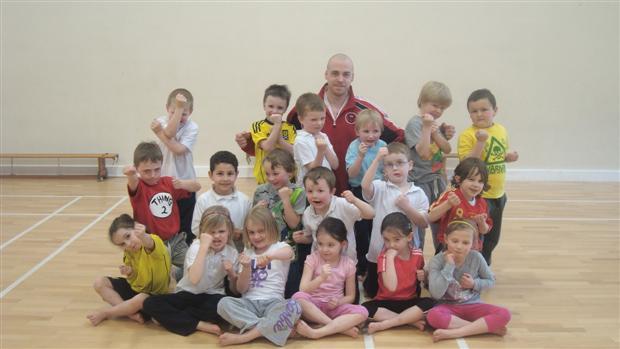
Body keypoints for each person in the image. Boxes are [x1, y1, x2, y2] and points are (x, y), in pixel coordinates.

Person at [236, 53, 404, 194]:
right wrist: (250, 144)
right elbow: (284, 143)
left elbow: (400, 138)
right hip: (314, 192)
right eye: (335, 73)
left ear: (353, 77)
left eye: (346, 74)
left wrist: (393, 171)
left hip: (356, 191)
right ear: (326, 74)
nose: (340, 79)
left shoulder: (367, 111)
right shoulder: (301, 110)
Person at [141, 207, 239, 336]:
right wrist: (204, 247)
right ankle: (199, 324)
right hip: (188, 293)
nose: (216, 236)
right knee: (150, 303)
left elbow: (235, 290)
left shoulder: (232, 253)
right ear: (203, 233)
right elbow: (194, 279)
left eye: (221, 231)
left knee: (225, 306)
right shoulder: (197, 246)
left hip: (212, 296)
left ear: (229, 232)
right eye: (211, 232)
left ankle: (173, 318)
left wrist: (232, 273)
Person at [216, 206, 302, 347]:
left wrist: (270, 257)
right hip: (249, 303)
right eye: (252, 232)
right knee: (223, 304)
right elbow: (241, 289)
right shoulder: (246, 253)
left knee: (295, 306)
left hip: (274, 303)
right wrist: (247, 268)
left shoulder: (280, 247)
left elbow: (288, 253)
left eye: (261, 231)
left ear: (272, 228)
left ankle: (247, 336)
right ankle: (271, 328)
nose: (256, 236)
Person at [457, 89, 519, 265]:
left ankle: (484, 265)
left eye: (484, 109)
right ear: (469, 114)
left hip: (499, 194)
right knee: (476, 235)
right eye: (474, 111)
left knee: (492, 237)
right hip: (479, 196)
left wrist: (508, 157)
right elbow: (467, 164)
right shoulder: (468, 135)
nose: (479, 114)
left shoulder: (501, 130)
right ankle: (471, 267)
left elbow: (496, 157)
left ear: (495, 110)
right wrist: (480, 141)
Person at [361, 142, 428, 298]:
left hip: (408, 256)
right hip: (378, 251)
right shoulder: (380, 187)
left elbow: (423, 223)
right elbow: (365, 185)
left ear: (410, 165)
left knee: (408, 293)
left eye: (400, 163)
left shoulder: (418, 193)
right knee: (372, 292)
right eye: (389, 165)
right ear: (384, 170)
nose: (395, 168)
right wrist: (377, 159)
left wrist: (407, 207)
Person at [124, 142, 201, 279]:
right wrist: (131, 175)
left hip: (175, 241)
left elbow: (197, 186)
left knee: (194, 268)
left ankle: (177, 274)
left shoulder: (167, 182)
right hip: (150, 243)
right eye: (146, 171)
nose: (153, 175)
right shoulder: (139, 187)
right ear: (137, 169)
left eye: (157, 169)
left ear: (162, 165)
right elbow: (133, 183)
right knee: (155, 281)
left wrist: (183, 184)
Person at [426, 220, 511, 341]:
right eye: (454, 241)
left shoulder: (476, 257)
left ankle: (454, 333)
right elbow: (435, 293)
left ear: (473, 243)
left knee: (505, 314)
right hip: (447, 307)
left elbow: (490, 281)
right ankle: (483, 328)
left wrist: (474, 284)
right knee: (433, 316)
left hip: (473, 305)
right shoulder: (436, 261)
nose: (459, 246)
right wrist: (449, 266)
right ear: (445, 239)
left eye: (465, 242)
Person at [87, 214, 171, 326]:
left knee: (141, 298)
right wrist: (131, 273)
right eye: (122, 244)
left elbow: (150, 243)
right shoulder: (128, 253)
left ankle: (107, 312)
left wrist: (143, 235)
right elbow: (136, 282)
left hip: (153, 297)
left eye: (128, 236)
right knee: (99, 283)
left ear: (136, 227)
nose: (128, 244)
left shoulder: (153, 241)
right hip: (137, 291)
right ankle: (129, 313)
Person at [293, 217, 368, 339]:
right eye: (320, 244)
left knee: (363, 312)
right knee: (297, 298)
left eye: (330, 245)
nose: (324, 249)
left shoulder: (348, 264)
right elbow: (303, 289)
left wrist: (338, 302)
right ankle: (337, 327)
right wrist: (321, 278)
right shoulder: (313, 259)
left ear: (342, 244)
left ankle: (317, 332)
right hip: (313, 306)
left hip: (335, 308)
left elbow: (350, 296)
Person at [361, 212, 435, 334]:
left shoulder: (417, 255)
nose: (391, 245)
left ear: (409, 237)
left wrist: (424, 276)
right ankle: (409, 321)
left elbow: (421, 281)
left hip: (409, 302)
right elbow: (391, 287)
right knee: (365, 308)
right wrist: (390, 259)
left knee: (431, 303)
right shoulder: (383, 257)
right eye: (386, 240)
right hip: (386, 302)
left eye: (396, 239)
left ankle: (389, 323)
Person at [404, 81, 455, 252]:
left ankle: (441, 260)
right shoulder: (415, 124)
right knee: (420, 224)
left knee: (441, 223)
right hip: (420, 183)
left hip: (438, 181)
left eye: (442, 108)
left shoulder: (435, 125)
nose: (438, 111)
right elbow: (424, 153)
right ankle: (416, 261)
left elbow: (447, 149)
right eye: (434, 105)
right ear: (422, 101)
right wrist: (427, 129)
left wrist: (436, 132)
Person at [293, 166, 374, 267]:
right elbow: (311, 237)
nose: (314, 195)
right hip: (321, 267)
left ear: (332, 191)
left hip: (346, 265)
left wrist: (355, 200)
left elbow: (371, 214)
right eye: (310, 191)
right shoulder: (307, 213)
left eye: (320, 191)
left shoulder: (342, 205)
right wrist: (302, 238)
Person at [252, 149, 307, 298]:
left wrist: (285, 200)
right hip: (265, 247)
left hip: (289, 248)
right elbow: (252, 222)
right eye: (267, 174)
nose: (271, 178)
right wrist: (256, 211)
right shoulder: (260, 191)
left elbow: (294, 224)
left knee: (291, 291)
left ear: (290, 173)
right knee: (268, 287)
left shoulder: (298, 192)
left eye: (275, 174)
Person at [150, 88, 199, 245]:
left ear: (190, 112)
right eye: (174, 112)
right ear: (167, 109)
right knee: (165, 220)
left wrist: (159, 133)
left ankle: (185, 254)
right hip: (163, 181)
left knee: (186, 223)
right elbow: (170, 132)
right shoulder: (162, 121)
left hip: (184, 181)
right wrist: (178, 108)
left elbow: (178, 150)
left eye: (183, 114)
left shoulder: (192, 127)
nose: (179, 117)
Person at [345, 109, 387, 277]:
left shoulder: (383, 146)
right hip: (359, 191)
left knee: (378, 228)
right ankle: (362, 268)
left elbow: (388, 169)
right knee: (362, 230)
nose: (371, 136)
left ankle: (379, 265)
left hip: (379, 191)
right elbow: (351, 174)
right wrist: (360, 157)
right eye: (366, 131)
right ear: (357, 131)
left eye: (375, 131)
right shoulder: (354, 147)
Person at [428, 157, 493, 253]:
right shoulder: (450, 196)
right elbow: (430, 217)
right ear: (458, 179)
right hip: (448, 249)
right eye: (471, 179)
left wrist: (482, 223)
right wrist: (448, 204)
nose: (476, 185)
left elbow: (484, 230)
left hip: (471, 250)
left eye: (480, 181)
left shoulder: (482, 203)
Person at [191, 151, 251, 252]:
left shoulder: (245, 201)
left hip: (237, 249)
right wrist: (214, 235)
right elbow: (196, 229)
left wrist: (240, 234)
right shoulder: (203, 200)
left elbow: (250, 228)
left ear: (236, 174)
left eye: (230, 173)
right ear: (210, 175)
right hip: (210, 249)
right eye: (220, 174)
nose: (225, 178)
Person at [250, 84, 297, 184]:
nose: (274, 111)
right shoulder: (257, 126)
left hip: (287, 180)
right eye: (271, 106)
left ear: (285, 109)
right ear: (264, 105)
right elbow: (267, 147)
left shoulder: (290, 128)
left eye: (280, 108)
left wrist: (280, 139)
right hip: (265, 180)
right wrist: (277, 126)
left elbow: (294, 151)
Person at [292, 93, 338, 184]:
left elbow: (335, 165)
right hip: (309, 190)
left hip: (325, 187)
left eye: (322, 118)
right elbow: (313, 171)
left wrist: (326, 148)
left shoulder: (323, 136)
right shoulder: (300, 140)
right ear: (301, 119)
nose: (319, 123)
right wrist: (321, 151)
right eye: (314, 120)